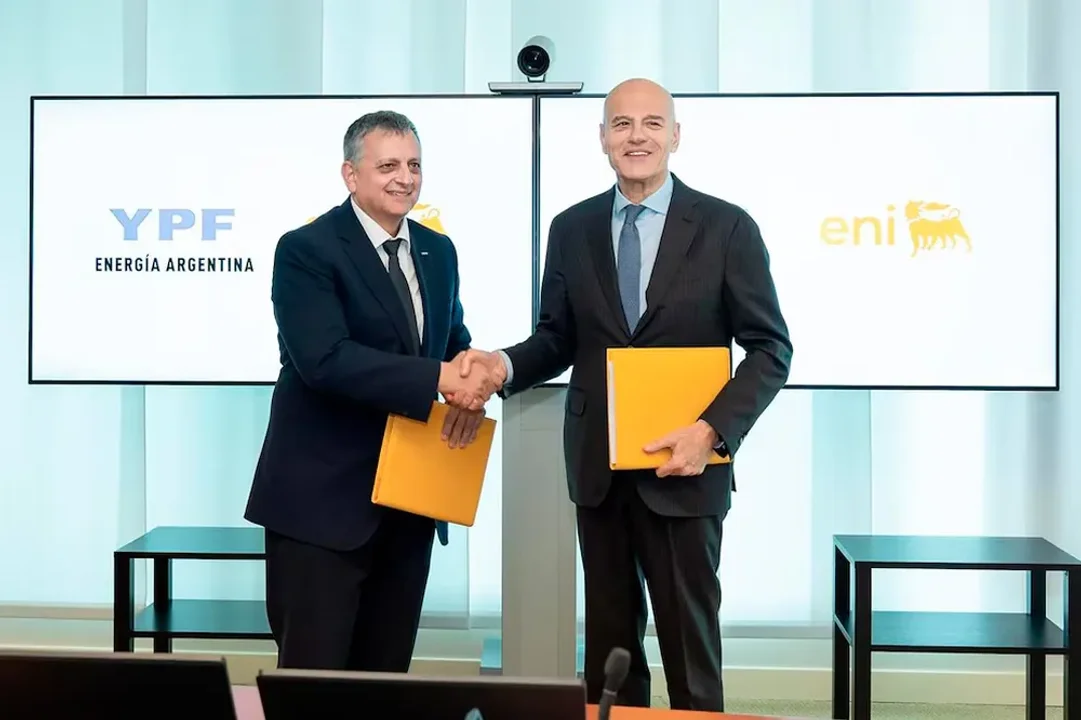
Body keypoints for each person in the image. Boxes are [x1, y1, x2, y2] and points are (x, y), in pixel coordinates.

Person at [458, 79, 793, 710]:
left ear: (675, 136)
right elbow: (556, 338)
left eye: (651, 124)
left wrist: (710, 432)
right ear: (603, 138)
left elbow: (771, 349)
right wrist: (500, 365)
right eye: (621, 124)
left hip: (686, 467)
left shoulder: (727, 227)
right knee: (612, 652)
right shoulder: (571, 227)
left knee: (690, 649)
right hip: (600, 470)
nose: (636, 137)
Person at [244, 110, 498, 672]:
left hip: (409, 504)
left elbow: (450, 340)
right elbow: (324, 360)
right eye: (388, 166)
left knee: (385, 684)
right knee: (312, 687)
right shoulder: (306, 249)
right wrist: (439, 378)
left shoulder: (438, 251)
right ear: (350, 174)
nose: (404, 178)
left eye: (414, 165)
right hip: (321, 508)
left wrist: (476, 376)